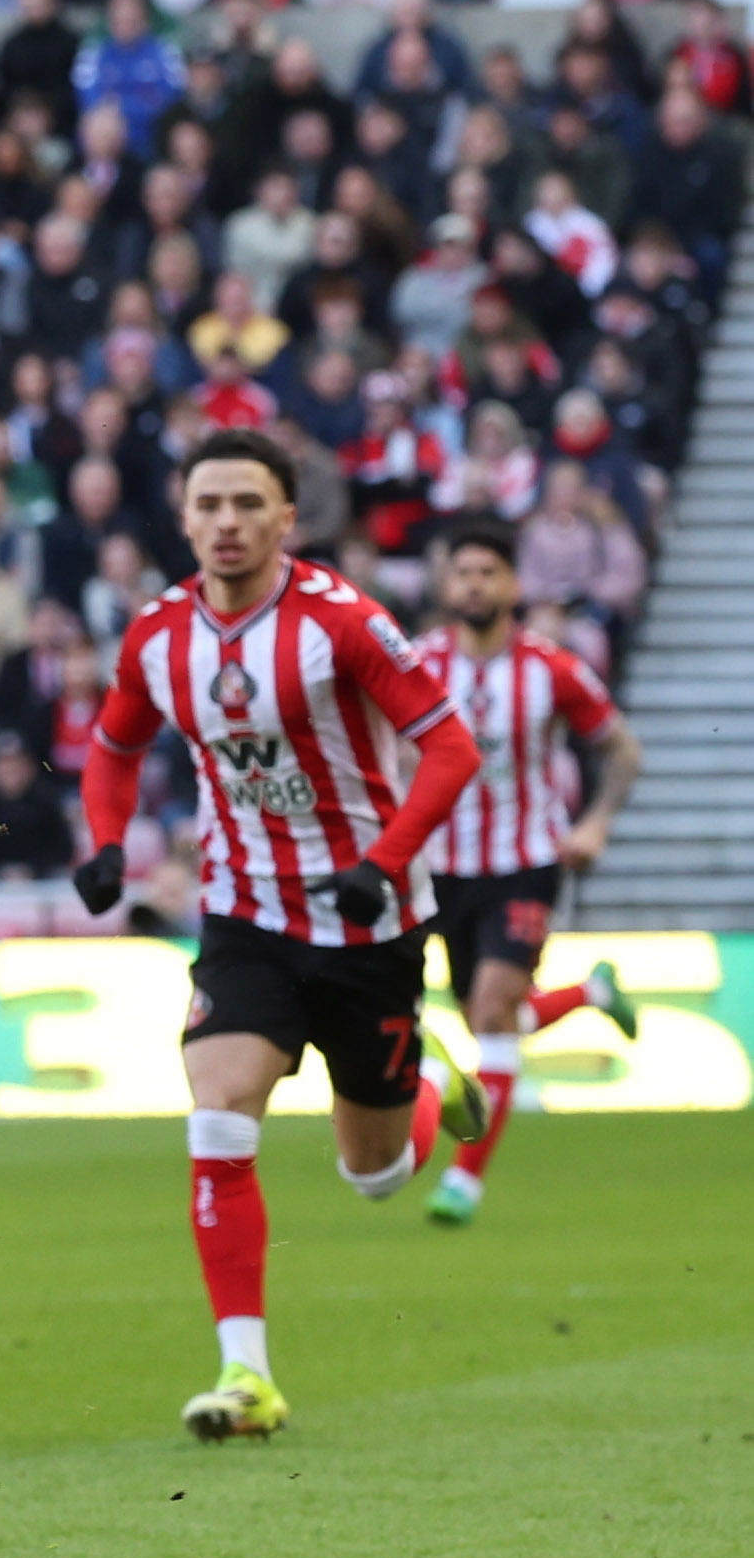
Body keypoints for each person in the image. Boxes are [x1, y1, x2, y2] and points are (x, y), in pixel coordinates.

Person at [72, 428, 487, 1444]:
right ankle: (243, 1372)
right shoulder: (155, 633)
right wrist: (104, 840)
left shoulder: (338, 622)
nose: (225, 522)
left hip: (365, 920)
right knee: (215, 1113)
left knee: (374, 1175)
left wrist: (381, 862)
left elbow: (448, 748)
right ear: (181, 516)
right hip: (244, 913)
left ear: (284, 519)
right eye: (206, 503)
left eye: (246, 504)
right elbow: (112, 742)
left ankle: (421, 1084)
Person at [413, 521, 644, 1226]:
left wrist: (595, 822)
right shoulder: (418, 664)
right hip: (438, 865)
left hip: (523, 862)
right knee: (495, 1017)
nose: (475, 584)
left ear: (513, 584)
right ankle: (590, 990)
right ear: (447, 584)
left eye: (488, 572)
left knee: (488, 1014)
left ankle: (464, 1181)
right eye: (464, 573)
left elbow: (622, 750)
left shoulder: (550, 669)